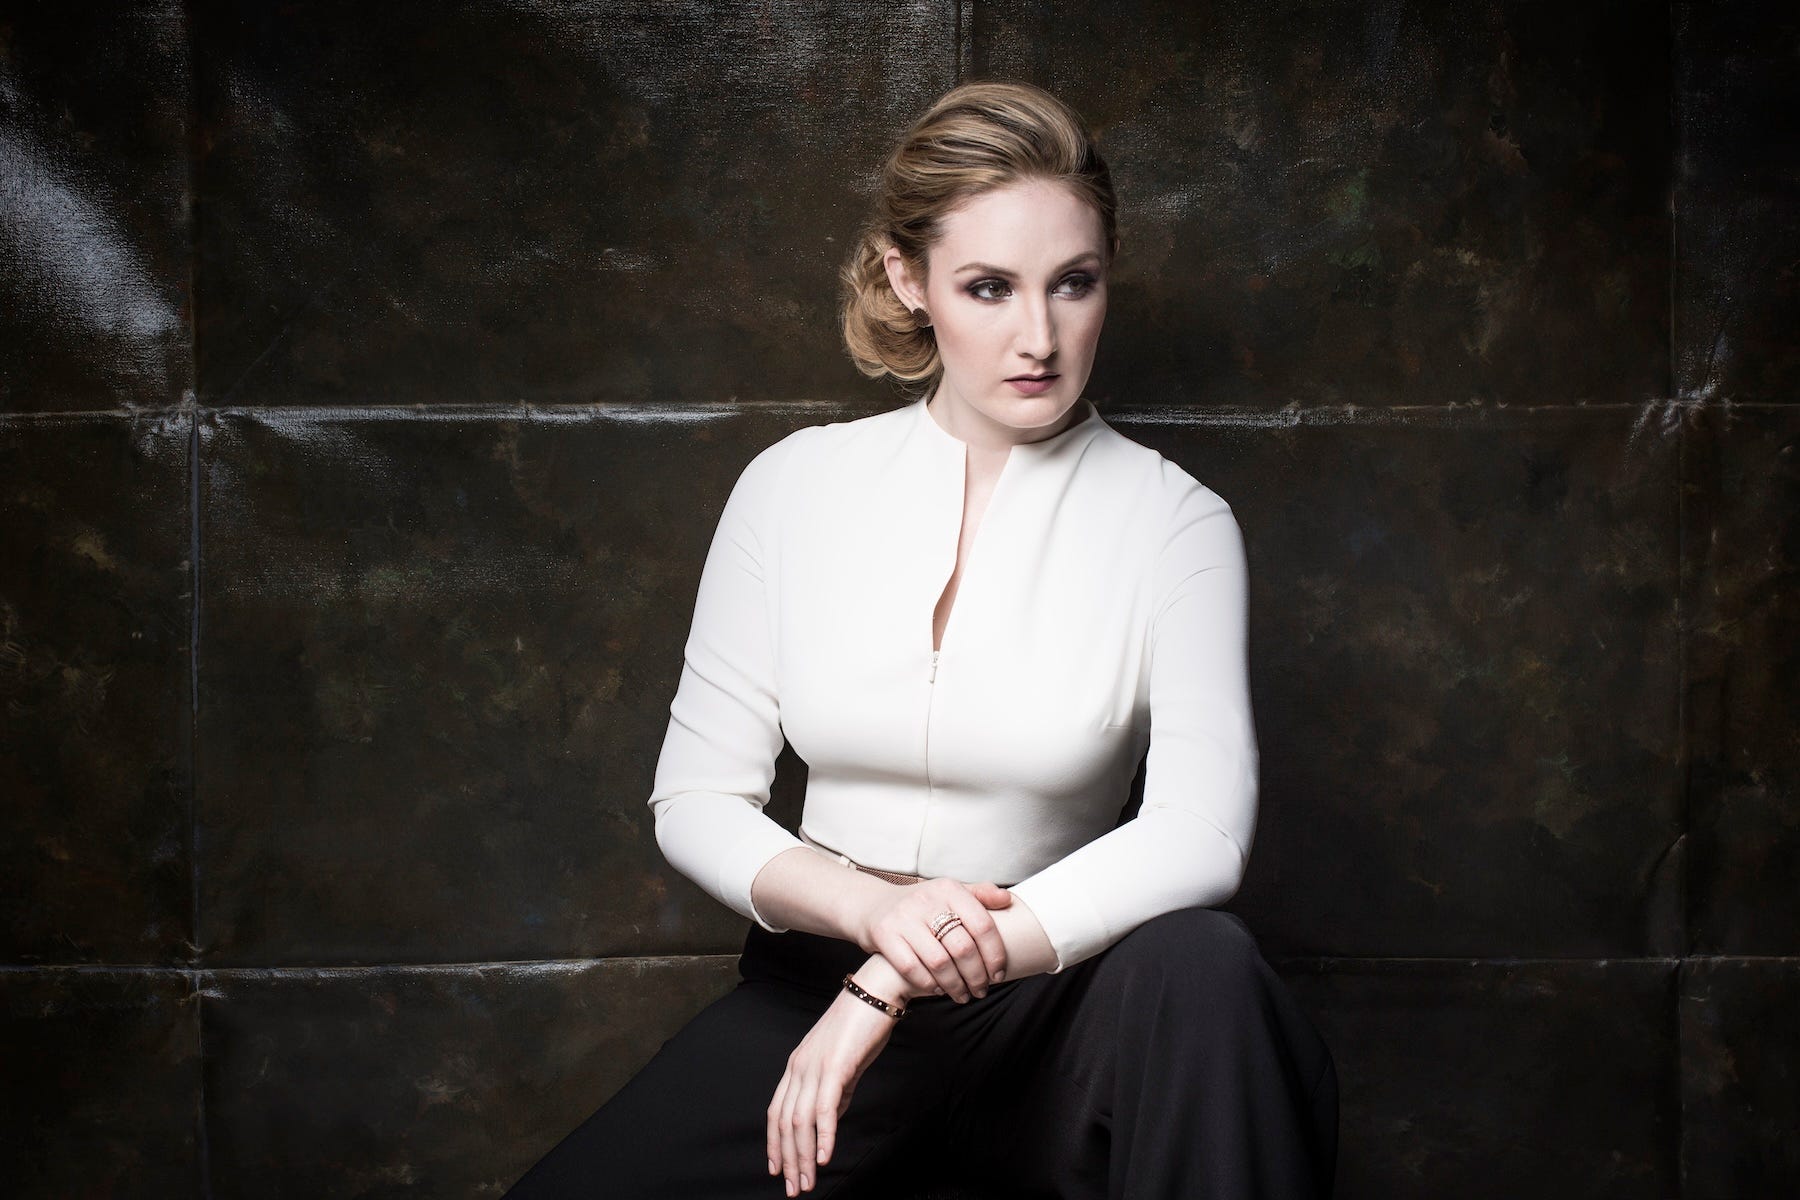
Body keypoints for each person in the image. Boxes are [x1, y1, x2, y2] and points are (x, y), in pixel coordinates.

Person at [503, 80, 1337, 1200]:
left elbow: (1201, 835)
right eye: (989, 287)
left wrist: (896, 977)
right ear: (909, 279)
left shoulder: (1175, 522)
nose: (1039, 337)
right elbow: (696, 798)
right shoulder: (792, 488)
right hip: (816, 985)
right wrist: (876, 920)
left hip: (1063, 1007)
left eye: (1075, 283)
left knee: (1205, 968)